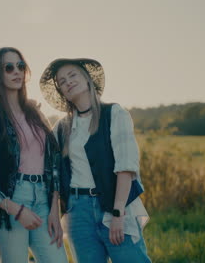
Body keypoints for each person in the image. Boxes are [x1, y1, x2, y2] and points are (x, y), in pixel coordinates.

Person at [39, 58, 152, 263]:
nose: (68, 82)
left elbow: (126, 167)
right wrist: (54, 213)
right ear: (62, 92)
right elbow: (53, 174)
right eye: (62, 81)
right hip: (77, 212)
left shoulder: (114, 114)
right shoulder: (61, 128)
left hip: (114, 205)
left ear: (87, 78)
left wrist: (118, 214)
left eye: (72, 75)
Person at [0, 47, 68, 263]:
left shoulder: (35, 113)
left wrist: (55, 209)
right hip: (12, 202)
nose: (16, 72)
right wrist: (18, 211)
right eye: (9, 68)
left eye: (20, 66)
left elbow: (53, 163)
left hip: (44, 200)